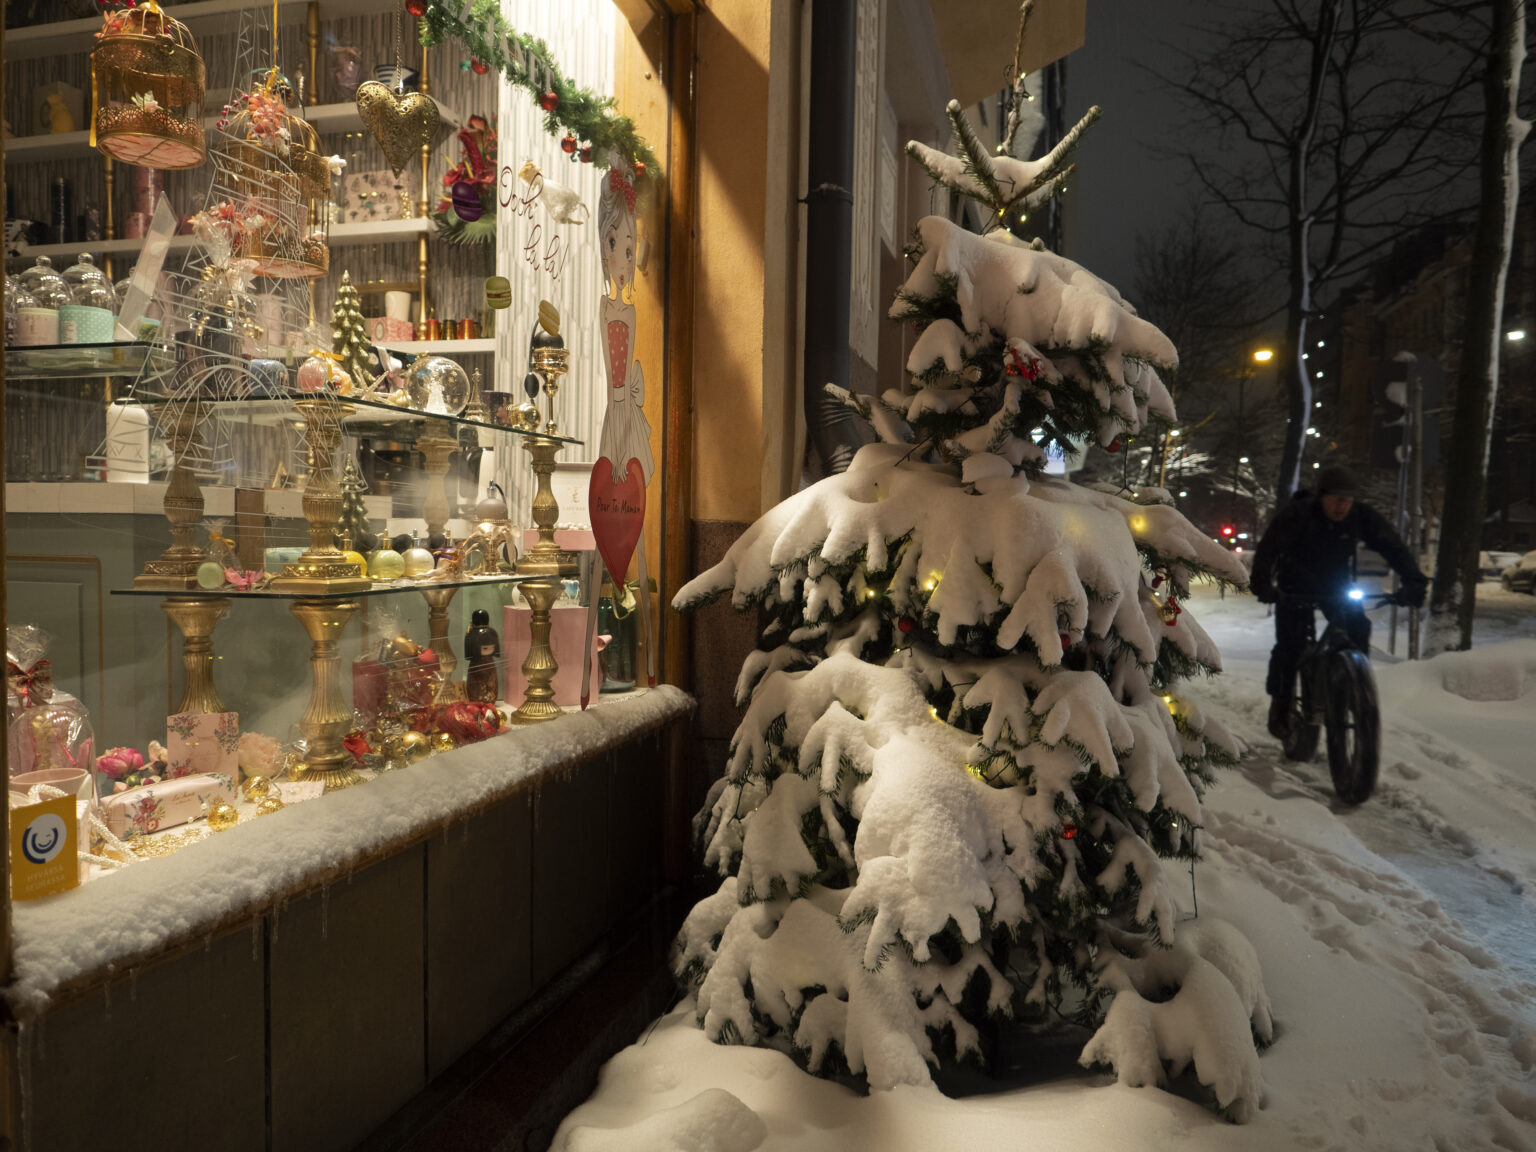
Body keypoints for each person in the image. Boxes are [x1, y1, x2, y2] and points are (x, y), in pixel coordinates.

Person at [1249, 465, 1427, 739]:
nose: (1343, 506)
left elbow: (1391, 545)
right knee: (1292, 645)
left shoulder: (1359, 516)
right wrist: (1262, 583)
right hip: (1294, 585)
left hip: (1335, 585)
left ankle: (1350, 685)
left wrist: (1413, 580)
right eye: (1336, 499)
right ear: (1322, 496)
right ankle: (1282, 703)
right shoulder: (1299, 514)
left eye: (1348, 499)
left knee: (1357, 625)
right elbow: (1269, 548)